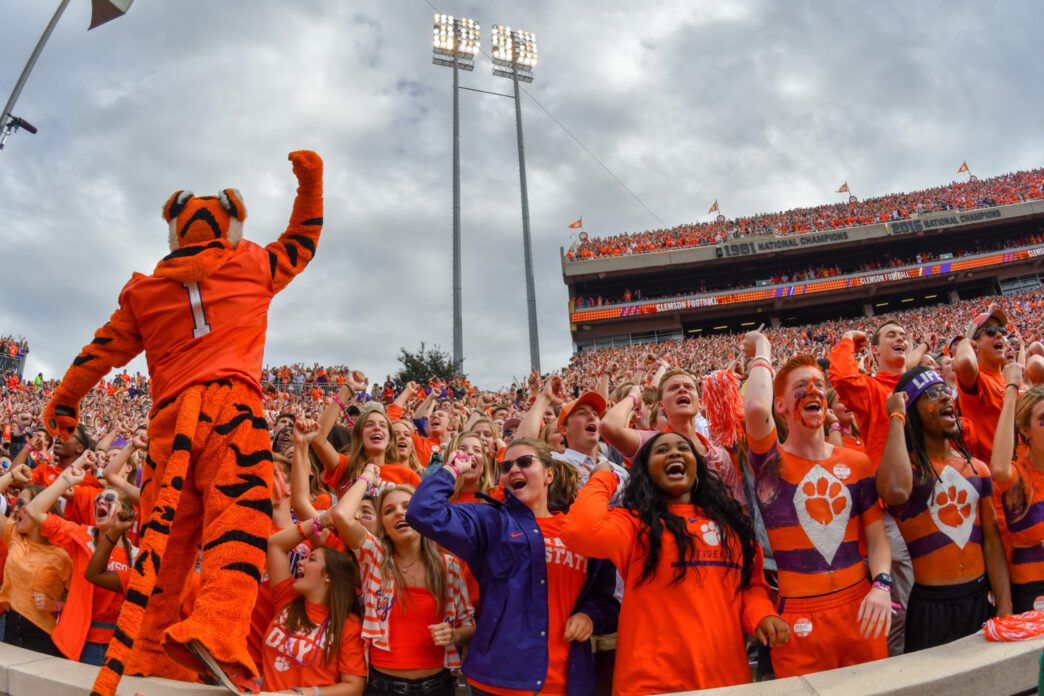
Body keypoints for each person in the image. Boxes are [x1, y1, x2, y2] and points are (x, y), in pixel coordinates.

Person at [562, 431, 788, 694]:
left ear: (697, 467)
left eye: (684, 448)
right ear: (645, 473)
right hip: (652, 683)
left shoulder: (733, 528)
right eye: (661, 450)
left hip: (726, 680)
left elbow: (751, 588)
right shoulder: (635, 525)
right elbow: (580, 531)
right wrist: (603, 477)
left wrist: (762, 616)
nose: (674, 453)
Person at [406, 437, 619, 695]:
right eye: (506, 467)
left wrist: (589, 616)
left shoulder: (578, 530)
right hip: (501, 679)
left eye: (525, 462)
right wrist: (452, 469)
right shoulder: (491, 521)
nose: (514, 470)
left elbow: (605, 600)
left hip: (568, 680)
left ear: (549, 474)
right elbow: (422, 512)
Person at [743, 334, 891, 677]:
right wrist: (763, 347)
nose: (813, 391)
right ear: (780, 405)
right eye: (801, 386)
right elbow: (753, 408)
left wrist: (882, 585)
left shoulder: (857, 462)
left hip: (862, 608)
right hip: (798, 617)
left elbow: (877, 536)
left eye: (818, 385)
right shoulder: (770, 466)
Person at [877, 367, 1010, 651]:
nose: (945, 398)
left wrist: (1005, 604)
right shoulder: (908, 472)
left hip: (978, 597)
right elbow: (894, 492)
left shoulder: (977, 469)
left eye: (945, 391)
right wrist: (897, 417)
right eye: (932, 394)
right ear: (913, 411)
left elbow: (991, 543)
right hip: (931, 607)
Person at [330, 473, 475, 696]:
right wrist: (368, 476)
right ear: (383, 525)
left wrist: (454, 635)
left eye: (408, 506)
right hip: (382, 688)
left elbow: (470, 627)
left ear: (421, 515)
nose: (399, 512)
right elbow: (341, 515)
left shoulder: (449, 566)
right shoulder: (374, 558)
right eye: (389, 510)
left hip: (438, 687)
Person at [24, 450, 137, 665]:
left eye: (109, 499)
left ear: (126, 513)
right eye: (98, 500)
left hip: (123, 645)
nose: (100, 502)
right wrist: (65, 481)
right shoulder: (81, 535)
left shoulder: (136, 555)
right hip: (83, 642)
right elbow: (34, 510)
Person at [260, 520, 367, 694]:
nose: (300, 563)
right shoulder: (287, 598)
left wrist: (302, 694)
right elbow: (275, 545)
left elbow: (354, 687)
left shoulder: (349, 625)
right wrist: (320, 520)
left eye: (312, 559)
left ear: (329, 577)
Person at [0, 467, 73, 657]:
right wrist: (12, 476)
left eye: (21, 504)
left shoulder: (63, 557)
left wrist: (56, 606)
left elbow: (79, 603)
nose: (14, 509)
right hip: (9, 630)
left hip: (43, 640)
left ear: (40, 508)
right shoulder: (14, 535)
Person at [990, 363, 1044, 612]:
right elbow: (998, 469)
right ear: (1025, 430)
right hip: (1032, 596)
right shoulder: (1018, 475)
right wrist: (1011, 388)